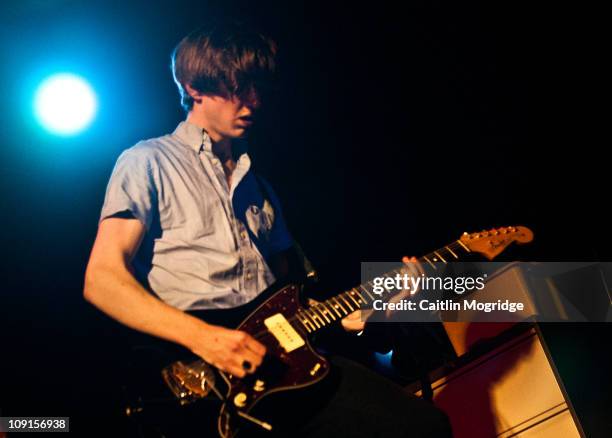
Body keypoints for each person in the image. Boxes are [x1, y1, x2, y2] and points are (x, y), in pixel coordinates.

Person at [84, 19, 452, 437]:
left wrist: (374, 309)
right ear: (193, 87)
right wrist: (206, 340)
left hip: (282, 366)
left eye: (257, 88)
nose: (252, 101)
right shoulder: (147, 160)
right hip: (200, 374)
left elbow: (291, 306)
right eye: (237, 88)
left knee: (424, 427)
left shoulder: (261, 189)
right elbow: (101, 279)